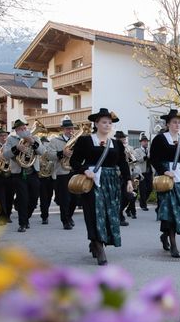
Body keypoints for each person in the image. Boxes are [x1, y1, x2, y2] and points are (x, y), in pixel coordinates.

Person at [71, 108, 133, 265]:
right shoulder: (85, 141)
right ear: (96, 123)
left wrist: (128, 180)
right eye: (104, 122)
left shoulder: (116, 144)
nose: (107, 125)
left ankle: (96, 242)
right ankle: (98, 246)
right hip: (92, 182)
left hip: (111, 182)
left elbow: (123, 163)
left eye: (109, 123)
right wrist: (85, 170)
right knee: (93, 213)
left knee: (109, 213)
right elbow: (74, 161)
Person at [151, 109, 180, 258]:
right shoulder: (159, 139)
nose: (177, 125)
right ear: (168, 124)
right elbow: (154, 158)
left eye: (179, 122)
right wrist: (164, 170)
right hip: (165, 180)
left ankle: (165, 235)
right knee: (168, 210)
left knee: (178, 209)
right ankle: (173, 243)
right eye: (174, 122)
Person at [2, 119, 46, 233]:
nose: (24, 130)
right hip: (19, 173)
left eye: (25, 128)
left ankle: (26, 218)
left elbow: (42, 151)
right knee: (23, 199)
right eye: (21, 129)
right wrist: (16, 148)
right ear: (16, 131)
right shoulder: (11, 139)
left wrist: (33, 142)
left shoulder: (35, 138)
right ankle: (22, 224)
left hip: (33, 172)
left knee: (34, 199)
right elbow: (5, 155)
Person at [48, 118, 77, 230]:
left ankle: (69, 216)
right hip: (61, 172)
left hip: (74, 171)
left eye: (72, 128)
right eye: (68, 128)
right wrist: (62, 153)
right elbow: (49, 155)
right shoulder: (55, 141)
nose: (70, 130)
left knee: (75, 198)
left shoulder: (77, 140)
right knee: (65, 199)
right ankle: (65, 221)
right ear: (63, 129)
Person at [114, 130, 135, 226]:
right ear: (118, 138)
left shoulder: (128, 148)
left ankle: (120, 211)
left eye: (124, 138)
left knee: (129, 196)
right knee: (118, 197)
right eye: (122, 138)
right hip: (117, 174)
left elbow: (132, 160)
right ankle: (119, 216)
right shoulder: (114, 146)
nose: (124, 139)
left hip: (127, 174)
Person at [37, 137, 55, 225]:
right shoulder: (39, 152)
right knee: (43, 197)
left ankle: (45, 213)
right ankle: (44, 216)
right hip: (41, 177)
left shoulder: (50, 151)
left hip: (51, 177)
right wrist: (42, 163)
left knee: (49, 196)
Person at [135, 132, 153, 211]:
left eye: (146, 141)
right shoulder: (137, 150)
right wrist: (146, 157)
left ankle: (142, 200)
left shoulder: (150, 150)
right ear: (141, 142)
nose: (145, 142)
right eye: (144, 141)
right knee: (142, 189)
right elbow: (138, 159)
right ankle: (143, 205)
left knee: (150, 188)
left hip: (149, 171)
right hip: (141, 172)